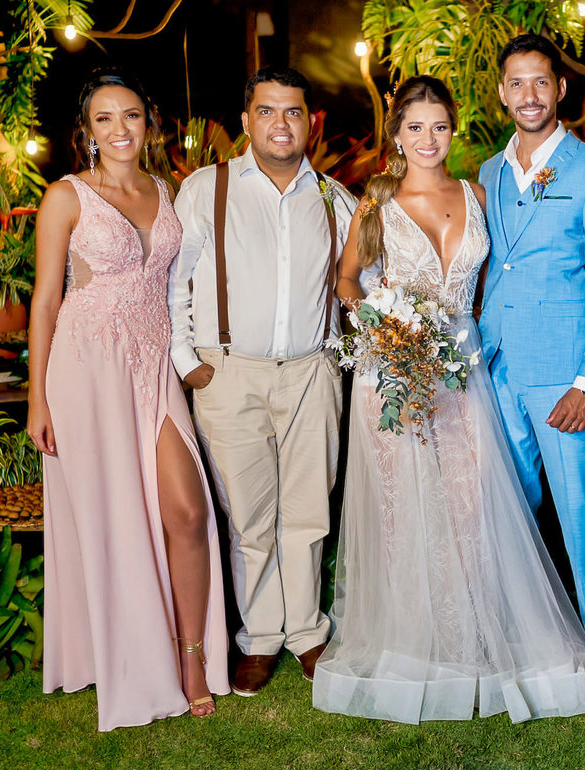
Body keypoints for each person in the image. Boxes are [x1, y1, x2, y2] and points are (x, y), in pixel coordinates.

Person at [312, 76, 585, 725]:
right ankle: (415, 643)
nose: (428, 138)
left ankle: (470, 635)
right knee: (403, 509)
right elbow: (347, 278)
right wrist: (381, 325)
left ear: (454, 129)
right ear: (396, 135)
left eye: (439, 126)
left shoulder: (476, 194)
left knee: (470, 504)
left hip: (464, 368)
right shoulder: (377, 200)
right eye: (415, 127)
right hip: (395, 369)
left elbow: (507, 272)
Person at [28, 70, 229, 731]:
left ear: (149, 122)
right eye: (105, 118)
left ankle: (192, 656)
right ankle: (135, 658)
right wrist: (37, 400)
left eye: (132, 115)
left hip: (153, 363)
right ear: (87, 131)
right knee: (115, 517)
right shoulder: (66, 196)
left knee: (187, 511)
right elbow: (45, 301)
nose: (120, 129)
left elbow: (181, 282)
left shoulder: (163, 190)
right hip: (87, 369)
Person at [169, 67, 356, 696]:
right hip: (228, 371)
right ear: (246, 120)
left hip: (312, 372)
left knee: (308, 509)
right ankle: (259, 637)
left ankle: (305, 631)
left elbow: (363, 280)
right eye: (268, 111)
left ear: (311, 123)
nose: (282, 123)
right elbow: (174, 282)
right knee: (247, 514)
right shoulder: (206, 188)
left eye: (293, 112)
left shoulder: (335, 198)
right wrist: (187, 360)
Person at [477, 34, 585, 700]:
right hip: (496, 367)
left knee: (577, 509)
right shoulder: (487, 171)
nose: (529, 95)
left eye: (541, 82)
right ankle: (516, 629)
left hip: (564, 374)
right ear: (502, 92)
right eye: (517, 83)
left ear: (560, 89)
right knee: (507, 506)